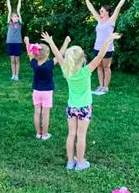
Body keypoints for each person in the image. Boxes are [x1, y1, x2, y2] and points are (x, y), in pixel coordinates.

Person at [41, 31, 121, 171]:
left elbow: (58, 55)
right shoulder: (86, 71)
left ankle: (70, 162)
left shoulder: (66, 70)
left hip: (71, 108)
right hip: (84, 108)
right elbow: (100, 56)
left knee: (71, 134)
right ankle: (80, 163)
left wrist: (50, 42)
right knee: (81, 135)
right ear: (82, 59)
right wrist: (108, 40)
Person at [81, 0, 131, 94]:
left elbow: (118, 7)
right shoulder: (99, 20)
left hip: (107, 48)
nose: (100, 11)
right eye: (100, 10)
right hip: (97, 48)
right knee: (98, 66)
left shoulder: (111, 20)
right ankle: (100, 86)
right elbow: (91, 9)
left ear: (107, 12)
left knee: (106, 67)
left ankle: (106, 87)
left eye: (102, 10)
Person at [23, 35, 71, 140]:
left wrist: (27, 42)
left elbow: (29, 53)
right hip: (47, 92)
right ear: (47, 54)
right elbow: (60, 54)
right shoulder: (49, 64)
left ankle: (38, 133)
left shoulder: (34, 64)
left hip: (36, 91)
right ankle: (44, 135)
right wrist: (66, 42)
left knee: (37, 112)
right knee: (45, 114)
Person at [6, 0, 23, 81]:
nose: (15, 17)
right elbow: (9, 10)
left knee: (17, 60)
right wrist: (8, 0)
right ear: (11, 18)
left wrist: (19, 0)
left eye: (17, 16)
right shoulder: (9, 23)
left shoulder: (19, 23)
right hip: (10, 43)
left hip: (17, 43)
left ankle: (17, 75)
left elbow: (18, 10)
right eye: (14, 16)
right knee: (12, 60)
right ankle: (13, 75)